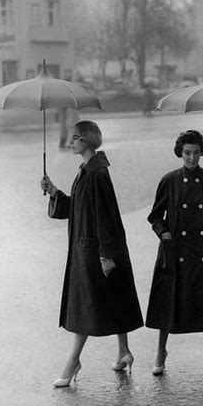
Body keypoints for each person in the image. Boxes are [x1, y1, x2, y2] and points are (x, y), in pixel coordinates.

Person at [40, 120, 143, 387]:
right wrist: (53, 192)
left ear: (86, 141)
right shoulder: (88, 170)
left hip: (94, 252)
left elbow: (106, 215)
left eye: (75, 138)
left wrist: (106, 254)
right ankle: (123, 352)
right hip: (91, 249)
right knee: (112, 298)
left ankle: (73, 361)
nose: (71, 142)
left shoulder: (96, 174)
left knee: (85, 308)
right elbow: (80, 207)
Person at [145, 129, 203, 375]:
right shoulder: (169, 180)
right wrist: (164, 233)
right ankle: (160, 350)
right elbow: (155, 216)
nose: (191, 158)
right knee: (169, 301)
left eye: (196, 153)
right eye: (187, 153)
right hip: (177, 249)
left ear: (202, 153)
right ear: (180, 153)